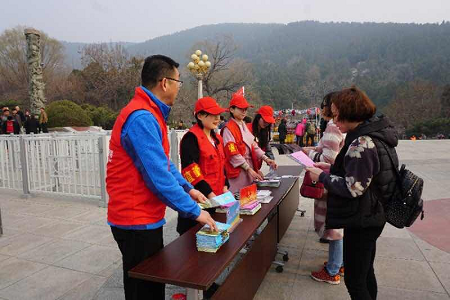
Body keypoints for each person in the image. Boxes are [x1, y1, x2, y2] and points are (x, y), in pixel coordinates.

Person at [106, 55, 217, 300]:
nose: (179, 87)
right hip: (135, 219)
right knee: (144, 290)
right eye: (178, 81)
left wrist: (188, 188)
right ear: (164, 83)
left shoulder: (149, 112)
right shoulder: (142, 117)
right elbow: (158, 177)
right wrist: (195, 211)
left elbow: (164, 163)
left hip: (143, 216)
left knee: (144, 284)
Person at [306, 86, 399, 300]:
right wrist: (329, 171)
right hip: (374, 213)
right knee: (366, 272)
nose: (335, 120)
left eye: (337, 114)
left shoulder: (362, 142)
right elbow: (362, 175)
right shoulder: (374, 132)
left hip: (363, 218)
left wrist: (322, 177)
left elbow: (353, 187)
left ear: (350, 113)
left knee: (355, 281)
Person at [303, 92, 345, 285]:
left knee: (334, 226)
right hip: (340, 182)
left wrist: (309, 153)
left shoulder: (333, 125)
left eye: (324, 105)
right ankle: (340, 263)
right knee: (340, 225)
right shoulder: (345, 125)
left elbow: (329, 158)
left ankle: (332, 270)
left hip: (330, 182)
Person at [178, 96, 229, 235]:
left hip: (214, 200)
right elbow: (192, 172)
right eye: (213, 115)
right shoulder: (191, 138)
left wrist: (225, 186)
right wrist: (210, 194)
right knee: (193, 240)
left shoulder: (217, 138)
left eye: (218, 114)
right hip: (199, 200)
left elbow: (222, 164)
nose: (217, 118)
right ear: (200, 115)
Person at [221, 94, 277, 193]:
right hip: (238, 170)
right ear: (232, 110)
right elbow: (233, 154)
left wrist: (266, 159)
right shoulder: (228, 129)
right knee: (239, 198)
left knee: (248, 198)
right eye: (241, 108)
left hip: (248, 169)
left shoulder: (243, 125)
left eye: (245, 109)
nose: (244, 111)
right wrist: (249, 169)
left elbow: (253, 145)